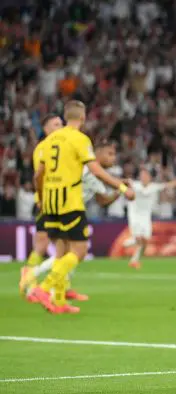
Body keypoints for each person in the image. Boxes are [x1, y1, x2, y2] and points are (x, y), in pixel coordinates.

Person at [27, 100, 135, 314]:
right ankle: (44, 287)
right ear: (83, 118)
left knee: (62, 250)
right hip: (69, 202)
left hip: (49, 202)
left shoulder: (49, 141)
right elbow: (96, 171)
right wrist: (123, 188)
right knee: (80, 250)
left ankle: (58, 302)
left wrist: (40, 197)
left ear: (66, 118)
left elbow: (38, 174)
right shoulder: (80, 139)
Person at [22, 139, 125, 300]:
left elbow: (100, 199)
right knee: (73, 253)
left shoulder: (87, 169)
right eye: (110, 154)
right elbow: (103, 199)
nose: (114, 158)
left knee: (69, 253)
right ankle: (32, 277)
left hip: (62, 208)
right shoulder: (90, 171)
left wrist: (119, 189)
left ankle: (60, 290)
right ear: (97, 154)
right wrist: (121, 189)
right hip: (67, 210)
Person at [19, 114, 63, 289]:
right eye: (56, 124)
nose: (60, 127)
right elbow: (40, 176)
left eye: (61, 124)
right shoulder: (43, 148)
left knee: (60, 245)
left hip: (57, 202)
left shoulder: (58, 146)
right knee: (43, 243)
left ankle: (61, 286)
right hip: (46, 202)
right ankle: (28, 275)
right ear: (46, 129)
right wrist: (43, 199)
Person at [124, 168, 176, 269]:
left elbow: (169, 185)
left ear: (149, 177)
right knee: (139, 238)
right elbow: (121, 183)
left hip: (146, 217)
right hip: (134, 215)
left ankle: (134, 260)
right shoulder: (134, 185)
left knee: (145, 241)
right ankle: (131, 241)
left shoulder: (153, 187)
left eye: (146, 176)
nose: (144, 178)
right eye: (142, 176)